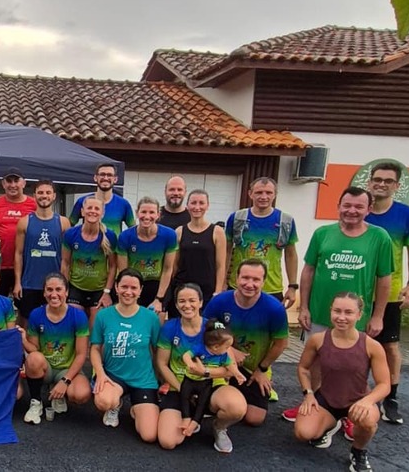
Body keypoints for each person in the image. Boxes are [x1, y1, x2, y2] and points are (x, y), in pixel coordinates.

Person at [284, 186, 393, 425]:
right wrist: (303, 308)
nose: (351, 211)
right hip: (321, 312)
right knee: (316, 362)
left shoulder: (379, 237)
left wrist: (378, 315)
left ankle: (351, 413)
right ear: (339, 206)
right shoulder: (323, 233)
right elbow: (309, 270)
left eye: (358, 206)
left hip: (355, 317)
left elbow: (384, 278)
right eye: (347, 205)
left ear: (369, 209)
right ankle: (313, 403)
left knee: (354, 365)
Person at [293, 292, 391, 472]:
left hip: (358, 400)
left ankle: (358, 451)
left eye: (348, 312)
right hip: (327, 400)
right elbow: (303, 368)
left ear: (359, 315)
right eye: (337, 311)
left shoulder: (371, 346)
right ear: (330, 311)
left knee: (368, 421)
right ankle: (331, 424)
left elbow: (385, 384)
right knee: (303, 433)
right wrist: (308, 394)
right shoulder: (318, 339)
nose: (342, 317)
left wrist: (367, 401)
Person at [155, 283, 248, 453]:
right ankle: (189, 415)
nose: (187, 305)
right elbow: (162, 364)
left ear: (200, 302)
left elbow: (229, 367)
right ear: (176, 305)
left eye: (192, 300)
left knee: (236, 407)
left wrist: (204, 372)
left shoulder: (213, 328)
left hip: (211, 384)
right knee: (168, 441)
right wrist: (181, 389)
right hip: (180, 385)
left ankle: (219, 427)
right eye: (181, 301)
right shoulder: (170, 328)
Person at [366, 161, 409, 425]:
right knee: (357, 345)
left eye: (388, 181)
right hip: (359, 292)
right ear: (369, 181)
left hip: (389, 293)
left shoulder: (406, 215)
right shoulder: (359, 210)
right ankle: (360, 393)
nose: (381, 184)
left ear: (396, 186)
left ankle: (391, 397)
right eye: (377, 179)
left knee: (389, 345)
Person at [203, 258, 289, 430]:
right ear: (236, 278)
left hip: (253, 368)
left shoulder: (274, 309)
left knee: (254, 418)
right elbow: (208, 326)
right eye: (245, 278)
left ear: (264, 282)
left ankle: (237, 398)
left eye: (256, 279)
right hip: (221, 362)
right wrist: (230, 349)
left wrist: (262, 370)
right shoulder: (220, 302)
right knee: (214, 402)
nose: (250, 284)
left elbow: (281, 344)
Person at [90, 269, 162, 442]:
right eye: (124, 286)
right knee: (104, 402)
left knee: (149, 435)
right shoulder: (104, 315)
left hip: (143, 379)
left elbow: (158, 351)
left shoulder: (151, 318)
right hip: (114, 377)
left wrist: (161, 380)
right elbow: (94, 349)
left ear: (140, 290)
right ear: (116, 287)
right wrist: (100, 374)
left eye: (133, 288)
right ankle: (116, 403)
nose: (128, 292)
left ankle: (136, 409)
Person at [22, 272, 91, 425]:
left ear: (66, 292)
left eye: (58, 290)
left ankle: (58, 391)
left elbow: (81, 354)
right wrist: (22, 340)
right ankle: (36, 402)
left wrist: (65, 381)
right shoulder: (36, 314)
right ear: (44, 292)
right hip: (46, 367)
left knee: (81, 395)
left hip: (67, 369)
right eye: (49, 290)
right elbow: (34, 349)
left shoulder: (78, 316)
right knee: (33, 359)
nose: (54, 294)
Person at [224, 176, 299, 307]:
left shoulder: (285, 221)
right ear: (250, 194)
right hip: (239, 286)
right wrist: (222, 282)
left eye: (268, 192)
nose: (263, 196)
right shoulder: (236, 218)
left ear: (275, 194)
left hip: (271, 289)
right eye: (259, 192)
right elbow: (226, 251)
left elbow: (291, 254)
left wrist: (292, 287)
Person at [14, 180, 71, 325]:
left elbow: (66, 259)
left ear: (54, 196)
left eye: (48, 192)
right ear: (34, 196)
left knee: (53, 322)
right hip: (29, 283)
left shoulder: (63, 222)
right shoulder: (24, 222)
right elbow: (18, 254)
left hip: (54, 286)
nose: (44, 196)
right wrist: (17, 283)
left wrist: (65, 285)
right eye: (40, 192)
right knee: (26, 323)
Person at [177, 324, 245, 437]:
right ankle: (186, 418)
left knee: (202, 402)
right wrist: (190, 364)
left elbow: (230, 365)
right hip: (190, 379)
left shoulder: (222, 355)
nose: (228, 350)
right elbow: (186, 355)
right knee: (184, 396)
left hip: (205, 382)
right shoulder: (200, 348)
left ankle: (195, 423)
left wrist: (237, 374)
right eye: (227, 347)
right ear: (216, 347)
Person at [168, 188, 225, 316]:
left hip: (207, 291)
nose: (197, 207)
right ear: (187, 206)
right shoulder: (179, 231)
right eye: (193, 203)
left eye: (201, 203)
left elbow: (221, 266)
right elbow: (174, 266)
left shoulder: (217, 231)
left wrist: (218, 292)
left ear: (207, 206)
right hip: (183, 290)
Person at [115, 196, 177, 311]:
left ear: (158, 214)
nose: (147, 216)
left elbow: (168, 269)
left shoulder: (169, 235)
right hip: (134, 284)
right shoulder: (125, 237)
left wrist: (159, 299)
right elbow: (124, 272)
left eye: (152, 212)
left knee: (157, 319)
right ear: (137, 213)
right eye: (143, 212)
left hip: (158, 285)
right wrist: (131, 297)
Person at [62, 197, 118, 324]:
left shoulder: (110, 236)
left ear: (102, 213)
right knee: (77, 326)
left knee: (95, 331)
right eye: (89, 208)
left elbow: (113, 266)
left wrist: (107, 292)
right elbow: (65, 263)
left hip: (99, 291)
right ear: (82, 211)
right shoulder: (71, 234)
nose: (93, 211)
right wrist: (65, 289)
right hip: (75, 288)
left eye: (97, 208)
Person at [0, 167, 37, 296]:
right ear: (3, 184)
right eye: (9, 181)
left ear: (23, 183)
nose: (12, 185)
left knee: (24, 308)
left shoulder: (34, 205)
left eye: (16, 181)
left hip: (26, 266)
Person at [68, 163, 133, 235]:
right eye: (102, 174)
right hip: (89, 245)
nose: (105, 178)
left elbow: (134, 230)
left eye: (109, 175)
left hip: (113, 246)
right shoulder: (82, 201)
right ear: (95, 178)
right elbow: (69, 225)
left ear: (115, 179)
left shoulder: (124, 204)